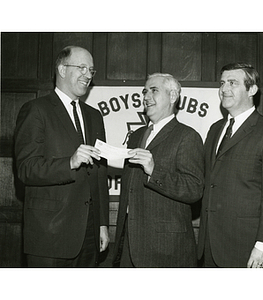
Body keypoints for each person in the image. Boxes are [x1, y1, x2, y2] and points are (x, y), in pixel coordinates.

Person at [14, 46, 110, 267]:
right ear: (62, 69)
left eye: (91, 70)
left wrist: (102, 223)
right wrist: (69, 162)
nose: (88, 75)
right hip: (50, 234)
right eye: (82, 68)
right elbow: (26, 169)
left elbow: (99, 173)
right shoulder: (36, 110)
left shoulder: (94, 116)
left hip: (89, 234)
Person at [197, 62, 263, 268]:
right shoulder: (215, 130)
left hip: (248, 249)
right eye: (222, 83)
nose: (224, 89)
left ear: (252, 89)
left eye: (232, 83)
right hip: (210, 248)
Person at [112, 73, 204, 267]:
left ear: (173, 96)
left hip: (166, 249)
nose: (146, 97)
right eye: (145, 91)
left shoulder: (187, 136)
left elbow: (194, 189)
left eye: (154, 91)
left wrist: (154, 171)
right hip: (129, 243)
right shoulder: (136, 135)